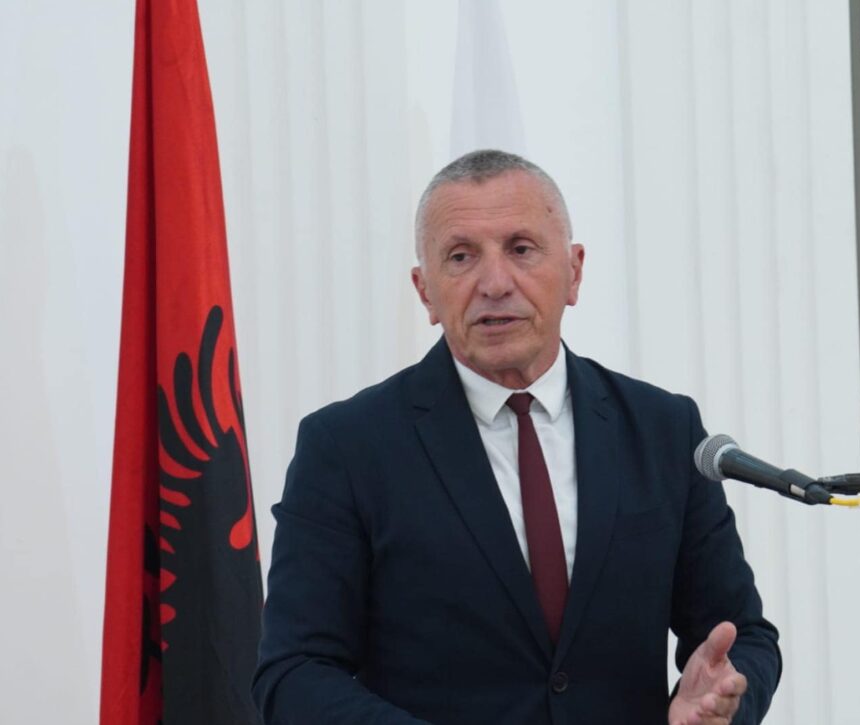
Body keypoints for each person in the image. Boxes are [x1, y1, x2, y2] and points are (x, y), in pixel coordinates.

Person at [253, 150, 781, 724]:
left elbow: (744, 635)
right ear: (425, 291)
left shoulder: (663, 430)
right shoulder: (346, 448)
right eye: (461, 257)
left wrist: (721, 704)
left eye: (522, 249)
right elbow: (294, 672)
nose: (495, 283)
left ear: (574, 272)